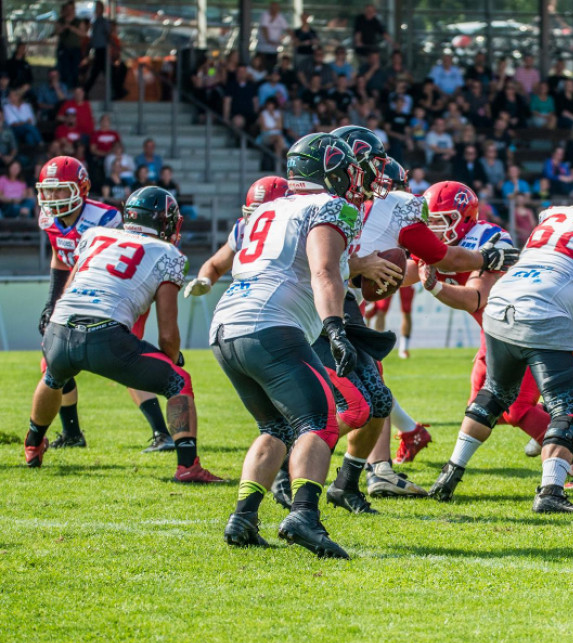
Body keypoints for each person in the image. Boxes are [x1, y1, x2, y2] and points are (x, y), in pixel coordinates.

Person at [430, 170, 573, 513]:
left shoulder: (554, 215)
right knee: (566, 409)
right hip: (546, 311)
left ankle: (450, 474)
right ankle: (550, 492)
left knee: (494, 394)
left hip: (501, 303)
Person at [330, 139, 520, 500]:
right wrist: (484, 259)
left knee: (371, 389)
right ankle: (297, 461)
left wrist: (364, 267)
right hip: (329, 301)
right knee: (358, 399)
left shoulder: (345, 205)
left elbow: (468, 292)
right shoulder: (385, 204)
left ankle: (372, 467)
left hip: (318, 299)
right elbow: (441, 258)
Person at [213, 134, 365, 557]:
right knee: (319, 422)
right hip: (270, 324)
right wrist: (335, 327)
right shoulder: (329, 206)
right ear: (330, 168)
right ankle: (304, 515)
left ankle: (243, 518)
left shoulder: (269, 206)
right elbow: (323, 270)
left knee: (274, 428)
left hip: (226, 325)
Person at [25, 185, 223, 485]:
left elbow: (71, 282)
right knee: (179, 382)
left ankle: (32, 444)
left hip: (60, 328)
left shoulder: (95, 236)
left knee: (54, 376)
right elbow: (168, 333)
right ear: (165, 222)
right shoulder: (168, 253)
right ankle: (188, 465)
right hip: (107, 337)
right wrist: (170, 362)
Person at [420, 181, 573, 487]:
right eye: (429, 222)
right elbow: (404, 270)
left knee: (511, 409)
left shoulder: (489, 239)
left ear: (464, 218)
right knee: (494, 410)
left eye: (441, 222)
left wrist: (435, 286)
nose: (434, 229)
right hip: (494, 334)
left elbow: (475, 298)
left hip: (519, 328)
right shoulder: (442, 242)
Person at [35, 155, 176, 452]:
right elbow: (61, 257)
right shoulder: (48, 218)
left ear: (81, 187)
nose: (53, 197)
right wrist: (53, 301)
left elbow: (130, 260)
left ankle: (162, 433)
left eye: (60, 189)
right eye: (48, 190)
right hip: (81, 295)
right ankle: (72, 433)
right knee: (52, 362)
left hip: (118, 293)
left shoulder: (105, 218)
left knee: (126, 359)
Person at [54, 1, 85, 89]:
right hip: (63, 49)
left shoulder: (78, 21)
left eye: (71, 9)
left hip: (75, 49)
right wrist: (63, 28)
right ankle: (64, 89)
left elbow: (83, 33)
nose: (70, 11)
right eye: (68, 9)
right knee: (63, 70)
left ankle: (74, 89)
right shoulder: (60, 21)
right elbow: (56, 31)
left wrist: (72, 28)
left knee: (74, 70)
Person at [256, 2, 288, 69]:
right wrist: (268, 40)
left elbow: (287, 28)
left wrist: (292, 37)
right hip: (262, 49)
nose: (274, 10)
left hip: (273, 50)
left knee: (271, 67)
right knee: (260, 67)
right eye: (273, 8)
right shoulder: (265, 15)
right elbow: (264, 28)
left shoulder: (280, 17)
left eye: (276, 8)